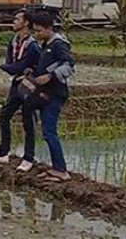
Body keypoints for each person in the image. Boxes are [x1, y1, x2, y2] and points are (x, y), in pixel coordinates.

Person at [26, 11, 75, 182]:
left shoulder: (58, 44)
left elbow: (69, 65)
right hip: (45, 93)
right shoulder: (45, 43)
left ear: (49, 28)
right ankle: (56, 168)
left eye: (39, 31)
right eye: (34, 31)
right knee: (47, 131)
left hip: (55, 94)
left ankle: (61, 171)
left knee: (49, 132)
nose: (36, 34)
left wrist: (50, 76)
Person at [0, 11, 41, 169]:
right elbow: (12, 65)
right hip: (16, 84)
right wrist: (12, 68)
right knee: (4, 115)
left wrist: (9, 68)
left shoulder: (32, 45)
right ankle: (3, 153)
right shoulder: (13, 42)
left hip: (28, 86)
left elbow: (17, 66)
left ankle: (28, 158)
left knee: (28, 122)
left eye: (17, 19)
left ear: (26, 23)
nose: (13, 21)